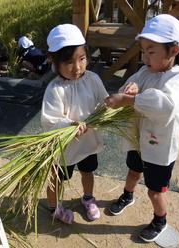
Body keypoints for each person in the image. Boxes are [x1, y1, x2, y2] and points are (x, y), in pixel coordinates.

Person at [105, 14, 179, 242]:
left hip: (160, 146)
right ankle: (127, 195)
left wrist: (129, 100)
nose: (145, 57)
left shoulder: (178, 77)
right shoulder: (145, 71)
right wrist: (130, 87)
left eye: (151, 51)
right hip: (138, 139)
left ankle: (160, 219)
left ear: (173, 51)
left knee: (155, 190)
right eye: (143, 51)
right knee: (133, 171)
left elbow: (165, 106)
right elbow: (129, 85)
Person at [41, 24, 109, 224]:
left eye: (82, 59)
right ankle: (55, 208)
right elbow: (50, 120)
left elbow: (104, 100)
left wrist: (113, 105)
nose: (77, 67)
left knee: (88, 171)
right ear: (54, 61)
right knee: (58, 178)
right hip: (65, 146)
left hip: (88, 141)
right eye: (69, 62)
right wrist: (70, 125)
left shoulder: (93, 79)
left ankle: (88, 198)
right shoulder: (55, 89)